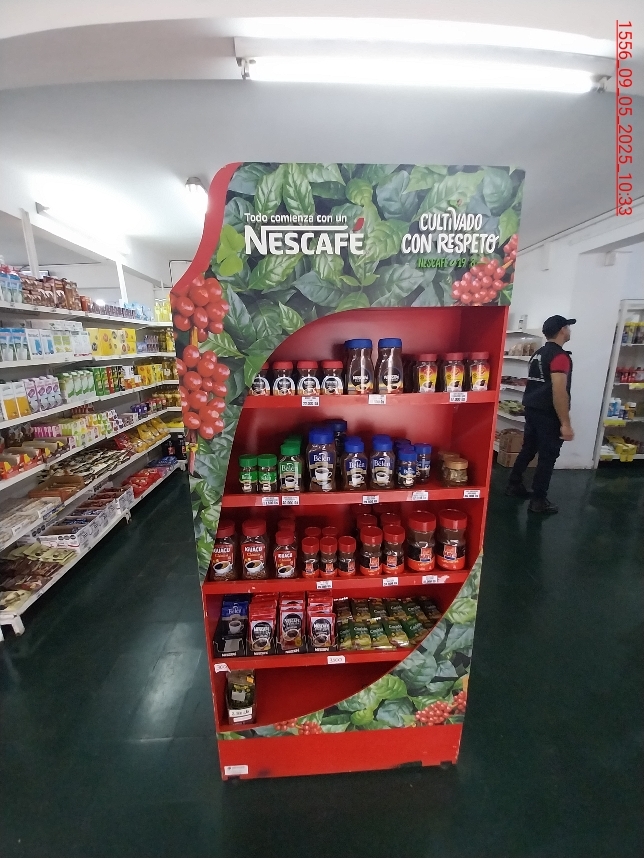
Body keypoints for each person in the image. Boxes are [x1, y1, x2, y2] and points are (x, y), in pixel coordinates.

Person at [505, 315, 575, 514]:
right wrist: (565, 423)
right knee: (547, 456)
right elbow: (559, 391)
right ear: (562, 330)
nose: (569, 331)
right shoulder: (559, 357)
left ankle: (514, 484)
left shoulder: (538, 354)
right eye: (568, 327)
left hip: (532, 409)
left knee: (528, 449)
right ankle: (538, 500)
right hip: (548, 414)